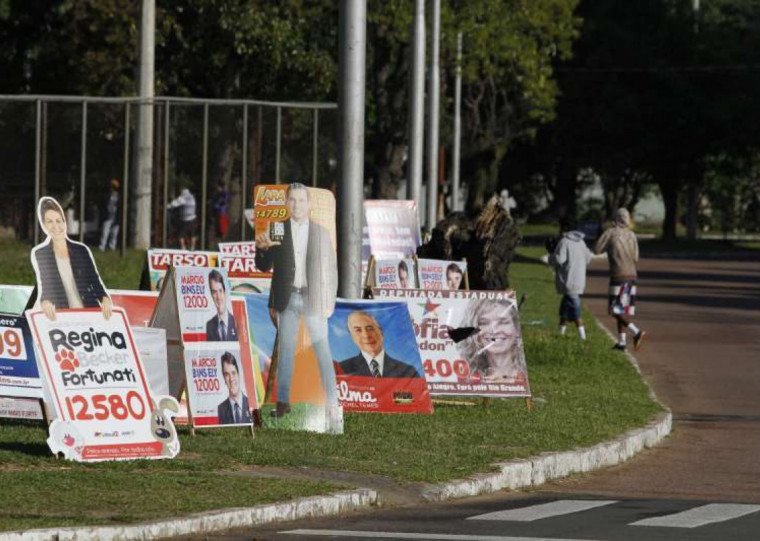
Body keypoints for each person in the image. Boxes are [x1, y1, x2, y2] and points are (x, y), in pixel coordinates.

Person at [255, 183, 338, 419]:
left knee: (322, 348)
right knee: (286, 351)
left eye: (302, 200)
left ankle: (332, 404)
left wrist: (329, 302)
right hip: (286, 297)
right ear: (286, 203)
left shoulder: (321, 233)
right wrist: (262, 250)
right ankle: (282, 403)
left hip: (314, 298)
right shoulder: (276, 230)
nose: (297, 205)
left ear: (309, 205)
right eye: (292, 200)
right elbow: (263, 266)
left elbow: (330, 270)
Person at [30, 197, 112, 321]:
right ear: (44, 225)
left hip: (89, 312)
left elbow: (94, 281)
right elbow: (46, 285)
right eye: (50, 221)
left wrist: (105, 298)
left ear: (64, 223)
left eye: (58, 221)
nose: (55, 226)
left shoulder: (81, 250)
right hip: (63, 316)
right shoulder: (41, 253)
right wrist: (45, 301)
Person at [595, 208, 646, 351]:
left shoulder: (611, 232)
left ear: (615, 218)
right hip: (632, 275)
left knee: (614, 310)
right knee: (621, 309)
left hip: (618, 275)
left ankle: (636, 332)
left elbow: (597, 249)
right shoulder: (632, 235)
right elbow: (636, 257)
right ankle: (622, 342)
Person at [456, 298, 526, 382]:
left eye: (503, 322)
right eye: (484, 323)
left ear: (517, 329)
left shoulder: (524, 377)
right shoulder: (467, 379)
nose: (494, 331)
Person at [338, 310, 420, 378]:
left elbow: (416, 397)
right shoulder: (341, 370)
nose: (366, 336)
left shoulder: (408, 372)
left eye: (370, 328)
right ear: (352, 337)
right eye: (358, 330)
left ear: (381, 332)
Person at [548, 217, 593, 340]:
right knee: (564, 310)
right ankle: (560, 333)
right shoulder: (581, 242)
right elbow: (588, 258)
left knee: (575, 308)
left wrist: (551, 254)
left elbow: (559, 259)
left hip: (568, 280)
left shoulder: (564, 241)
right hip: (579, 280)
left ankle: (582, 336)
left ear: (565, 228)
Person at [217, 352, 252, 425]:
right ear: (224, 378)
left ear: (238, 374)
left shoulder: (251, 403)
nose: (231, 379)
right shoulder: (221, 409)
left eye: (233, 373)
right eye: (227, 375)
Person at [206, 269, 238, 342]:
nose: (218, 297)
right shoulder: (209, 326)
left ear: (225, 292)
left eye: (220, 291)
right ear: (211, 295)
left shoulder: (237, 322)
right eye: (214, 292)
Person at [167, 186, 197, 251]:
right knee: (193, 234)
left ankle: (183, 248)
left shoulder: (183, 197)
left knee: (181, 234)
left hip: (185, 219)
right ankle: (192, 248)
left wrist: (168, 206)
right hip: (193, 218)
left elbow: (174, 204)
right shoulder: (192, 197)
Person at [98, 179, 120, 251]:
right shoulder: (107, 195)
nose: (112, 188)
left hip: (116, 217)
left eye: (114, 187)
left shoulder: (119, 196)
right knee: (105, 232)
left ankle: (112, 247)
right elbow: (103, 205)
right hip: (108, 216)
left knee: (114, 234)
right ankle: (102, 247)